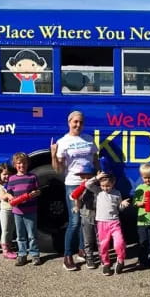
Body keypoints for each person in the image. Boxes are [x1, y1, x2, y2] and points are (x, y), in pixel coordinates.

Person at [51, 110, 98, 271]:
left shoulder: (89, 139)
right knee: (75, 221)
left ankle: (82, 250)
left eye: (81, 122)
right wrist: (52, 155)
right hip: (73, 184)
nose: (78, 125)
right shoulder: (63, 142)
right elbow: (58, 169)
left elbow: (95, 160)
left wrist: (98, 177)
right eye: (75, 122)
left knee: (87, 220)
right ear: (69, 122)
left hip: (90, 183)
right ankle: (67, 256)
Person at [86, 173, 129, 276]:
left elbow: (119, 209)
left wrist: (123, 205)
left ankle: (120, 260)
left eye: (108, 186)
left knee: (119, 242)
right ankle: (105, 264)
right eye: (103, 186)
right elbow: (87, 184)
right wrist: (97, 178)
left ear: (113, 183)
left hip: (114, 222)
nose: (105, 188)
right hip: (101, 223)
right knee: (103, 245)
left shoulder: (117, 193)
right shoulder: (98, 191)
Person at [7, 152, 41, 266]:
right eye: (19, 163)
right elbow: (9, 193)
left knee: (32, 234)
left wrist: (34, 194)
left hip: (30, 210)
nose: (22, 165)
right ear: (15, 165)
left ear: (27, 164)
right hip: (17, 211)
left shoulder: (32, 177)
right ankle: (22, 254)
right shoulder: (12, 178)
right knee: (20, 235)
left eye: (24, 163)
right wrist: (11, 198)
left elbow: (38, 190)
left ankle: (35, 254)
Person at [69, 164, 102, 269]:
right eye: (83, 177)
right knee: (88, 239)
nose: (85, 179)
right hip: (86, 215)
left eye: (88, 177)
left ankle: (102, 256)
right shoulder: (81, 188)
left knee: (100, 239)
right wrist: (77, 207)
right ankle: (89, 257)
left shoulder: (98, 188)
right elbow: (75, 197)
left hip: (99, 216)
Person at [0, 163, 17, 259]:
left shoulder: (12, 184)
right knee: (6, 230)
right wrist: (9, 195)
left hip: (14, 210)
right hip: (5, 211)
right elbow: (3, 197)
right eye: (4, 174)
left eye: (9, 174)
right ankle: (5, 250)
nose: (7, 176)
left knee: (11, 230)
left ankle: (10, 245)